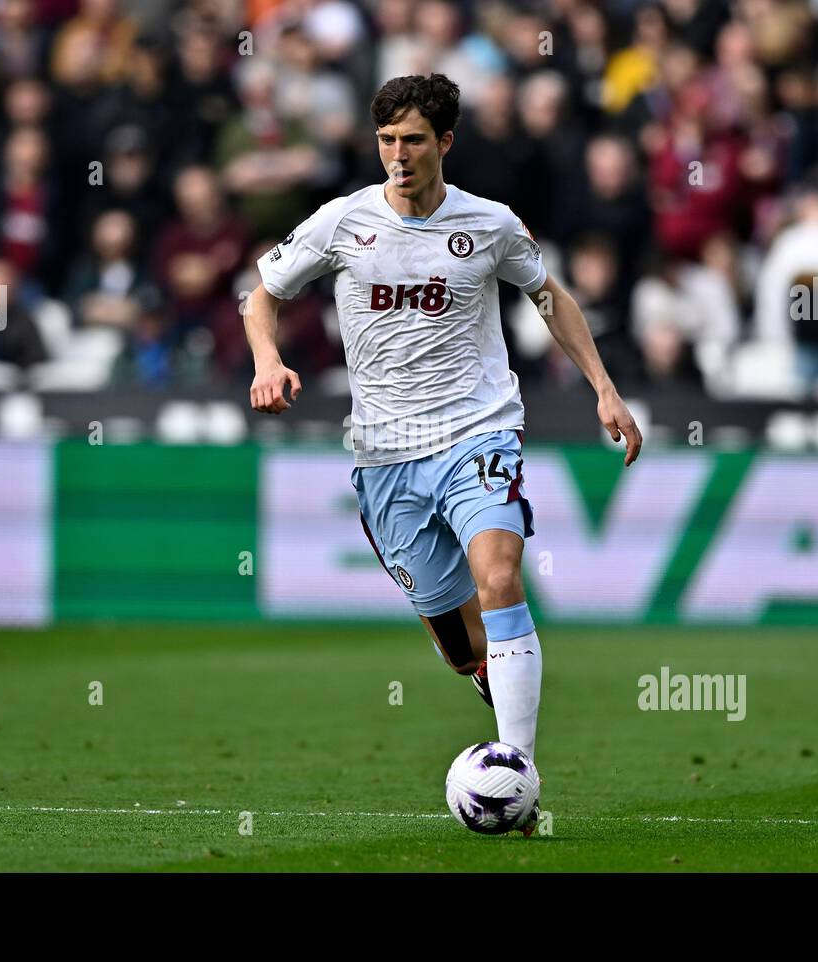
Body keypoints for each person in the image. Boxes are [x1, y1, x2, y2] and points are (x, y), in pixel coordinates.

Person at [240, 74, 642, 835]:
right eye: (387, 140)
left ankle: (517, 774)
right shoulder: (341, 222)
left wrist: (604, 388)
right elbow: (262, 293)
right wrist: (267, 360)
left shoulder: (489, 225)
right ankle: (495, 691)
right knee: (463, 652)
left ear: (445, 143)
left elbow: (550, 297)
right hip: (385, 458)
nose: (398, 155)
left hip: (477, 433)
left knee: (499, 573)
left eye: (414, 140)